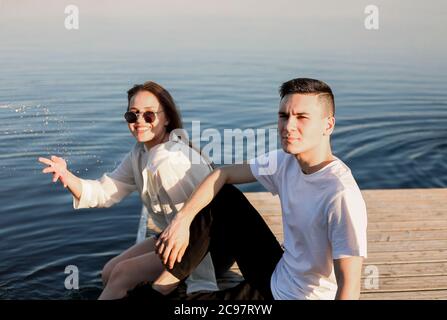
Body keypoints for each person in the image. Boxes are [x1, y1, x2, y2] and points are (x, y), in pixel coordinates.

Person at [152, 78, 368, 300]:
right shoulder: (285, 161)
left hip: (296, 297)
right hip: (279, 271)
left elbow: (350, 287)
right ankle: (161, 288)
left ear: (328, 125)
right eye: (284, 116)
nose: (288, 126)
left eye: (302, 117)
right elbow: (222, 174)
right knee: (224, 197)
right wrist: (182, 221)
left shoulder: (340, 194)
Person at [38, 81, 230, 300]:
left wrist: (198, 283)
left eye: (149, 115)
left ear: (166, 117)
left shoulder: (171, 160)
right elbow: (105, 191)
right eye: (133, 115)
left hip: (208, 250)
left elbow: (199, 226)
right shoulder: (140, 153)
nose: (139, 122)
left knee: (122, 274)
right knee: (110, 271)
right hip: (175, 238)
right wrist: (67, 176)